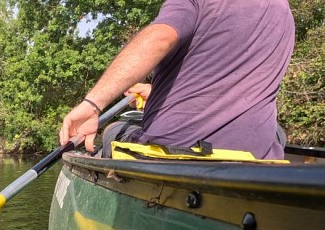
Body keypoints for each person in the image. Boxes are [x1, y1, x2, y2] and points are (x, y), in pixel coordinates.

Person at [59, 0, 295, 160]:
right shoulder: (282, 11)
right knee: (277, 132)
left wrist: (93, 104)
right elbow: (229, 83)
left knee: (114, 129)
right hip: (256, 157)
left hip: (177, 153)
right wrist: (157, 92)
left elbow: (160, 37)